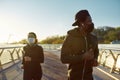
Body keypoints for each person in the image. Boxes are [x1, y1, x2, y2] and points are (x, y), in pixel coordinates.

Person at [61, 10, 99, 80]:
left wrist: (95, 59)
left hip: (89, 77)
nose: (91, 23)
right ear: (81, 23)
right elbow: (63, 58)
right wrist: (83, 57)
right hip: (73, 77)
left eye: (91, 20)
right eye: (89, 21)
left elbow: (96, 51)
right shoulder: (71, 36)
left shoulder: (94, 38)